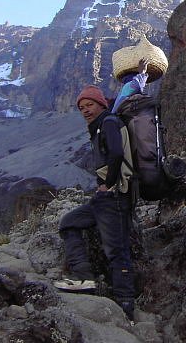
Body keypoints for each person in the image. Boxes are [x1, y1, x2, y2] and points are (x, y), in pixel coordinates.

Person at [54, 83, 136, 322]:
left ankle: (126, 308)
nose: (85, 110)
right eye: (81, 107)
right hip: (104, 199)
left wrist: (107, 184)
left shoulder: (109, 122)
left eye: (89, 105)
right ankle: (83, 277)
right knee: (69, 222)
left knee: (117, 251)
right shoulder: (99, 126)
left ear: (101, 104)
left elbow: (117, 154)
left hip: (115, 196)